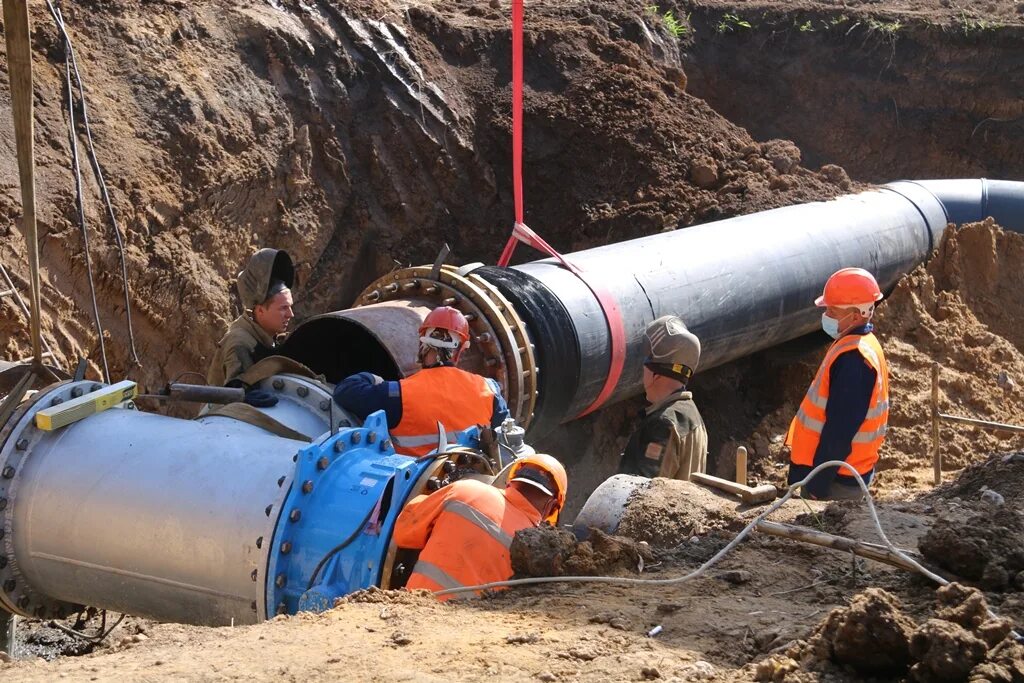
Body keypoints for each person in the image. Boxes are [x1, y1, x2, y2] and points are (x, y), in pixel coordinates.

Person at [333, 306, 510, 456]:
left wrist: (373, 378)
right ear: (461, 350)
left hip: (417, 492)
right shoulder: (489, 390)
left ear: (421, 344)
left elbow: (345, 392)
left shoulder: (397, 395)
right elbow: (507, 442)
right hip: (470, 487)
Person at [392, 453, 567, 600]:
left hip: (414, 610)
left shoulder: (463, 491)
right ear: (551, 506)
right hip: (470, 635)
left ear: (510, 481)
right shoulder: (538, 553)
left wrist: (431, 505)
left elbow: (402, 533)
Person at [786, 267, 890, 500]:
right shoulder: (858, 344)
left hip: (833, 482)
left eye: (832, 311)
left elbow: (839, 433)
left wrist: (816, 486)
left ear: (855, 315)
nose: (827, 316)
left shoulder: (855, 360)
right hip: (837, 475)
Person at [618, 315, 707, 480]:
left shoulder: (663, 424)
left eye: (647, 361)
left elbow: (641, 494)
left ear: (656, 374)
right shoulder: (691, 416)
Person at [207, 248, 295, 390]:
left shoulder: (265, 333)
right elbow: (235, 394)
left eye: (290, 307)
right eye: (283, 308)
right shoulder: (239, 344)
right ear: (260, 310)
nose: (291, 314)